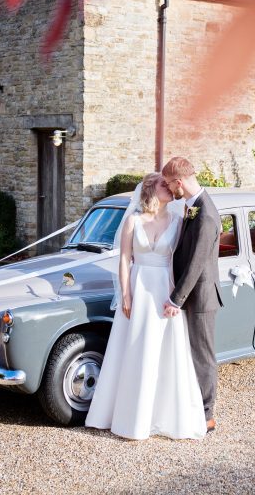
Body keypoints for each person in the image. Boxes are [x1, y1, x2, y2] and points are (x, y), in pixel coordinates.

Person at [85, 172, 207, 440]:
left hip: (164, 288)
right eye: (164, 185)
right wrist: (126, 295)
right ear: (151, 189)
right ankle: (130, 418)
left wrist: (178, 297)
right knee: (135, 349)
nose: (170, 189)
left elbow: (183, 258)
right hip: (139, 288)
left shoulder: (177, 220)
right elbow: (124, 260)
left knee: (163, 352)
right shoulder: (132, 220)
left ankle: (160, 416)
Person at [162, 157, 223, 433]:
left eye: (168, 184)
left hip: (200, 297)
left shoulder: (206, 213)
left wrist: (176, 299)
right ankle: (193, 406)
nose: (167, 188)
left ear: (179, 182)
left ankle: (207, 414)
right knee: (191, 353)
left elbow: (197, 263)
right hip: (191, 295)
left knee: (202, 355)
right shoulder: (192, 206)